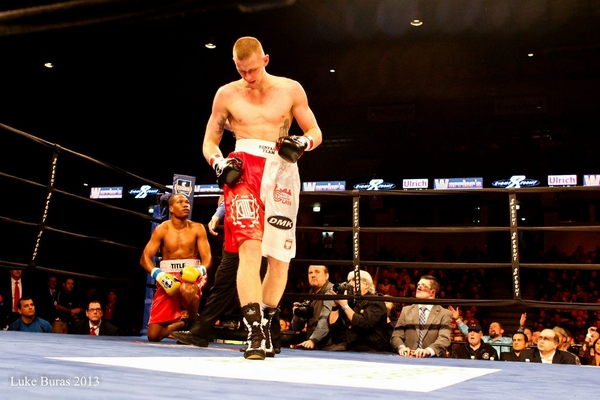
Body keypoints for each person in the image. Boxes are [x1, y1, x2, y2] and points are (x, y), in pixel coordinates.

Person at [201, 36, 323, 360]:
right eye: (242, 70)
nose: (249, 76)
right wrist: (218, 163)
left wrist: (302, 143)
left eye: (253, 69)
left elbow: (315, 131)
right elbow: (209, 142)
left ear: (265, 60)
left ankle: (267, 324)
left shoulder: (290, 89)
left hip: (281, 169)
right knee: (249, 248)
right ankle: (254, 332)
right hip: (243, 169)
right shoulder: (226, 94)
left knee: (279, 260)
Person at [173, 196, 276, 351]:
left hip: (255, 237)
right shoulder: (231, 190)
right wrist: (218, 215)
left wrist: (218, 214)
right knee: (223, 287)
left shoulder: (254, 183)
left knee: (260, 286)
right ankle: (200, 332)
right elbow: (229, 198)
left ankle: (269, 339)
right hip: (235, 239)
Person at [140, 193, 212, 342]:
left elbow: (208, 259)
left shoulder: (197, 228)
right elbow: (144, 258)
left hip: (191, 274)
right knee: (153, 335)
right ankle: (183, 323)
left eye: (187, 202)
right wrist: (159, 275)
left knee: (187, 289)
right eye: (180, 202)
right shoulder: (162, 229)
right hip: (168, 277)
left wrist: (199, 271)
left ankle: (193, 322)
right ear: (171, 208)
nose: (186, 205)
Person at [328, 270, 392, 353]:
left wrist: (345, 306)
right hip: (351, 348)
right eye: (349, 281)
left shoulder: (376, 301)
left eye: (354, 280)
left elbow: (364, 323)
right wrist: (335, 305)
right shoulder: (349, 302)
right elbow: (333, 325)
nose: (351, 284)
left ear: (366, 284)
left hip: (373, 349)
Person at [391, 275, 452, 358]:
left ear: (432, 292)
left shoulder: (444, 313)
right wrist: (402, 348)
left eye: (424, 285)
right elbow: (396, 335)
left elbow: (444, 338)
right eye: (418, 285)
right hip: (408, 359)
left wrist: (428, 351)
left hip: (433, 360)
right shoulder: (406, 310)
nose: (419, 287)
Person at [291, 265, 335, 350]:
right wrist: (297, 316)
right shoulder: (311, 293)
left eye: (317, 272)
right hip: (314, 345)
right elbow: (296, 328)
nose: (313, 275)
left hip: (329, 346)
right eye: (310, 273)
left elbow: (325, 320)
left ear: (326, 275)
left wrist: (313, 340)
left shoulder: (331, 291)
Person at [449, 306, 521, 356]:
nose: (491, 328)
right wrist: (457, 319)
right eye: (490, 327)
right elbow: (469, 333)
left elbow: (519, 338)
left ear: (502, 330)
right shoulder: (484, 339)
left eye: (494, 326)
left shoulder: (508, 340)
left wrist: (521, 327)